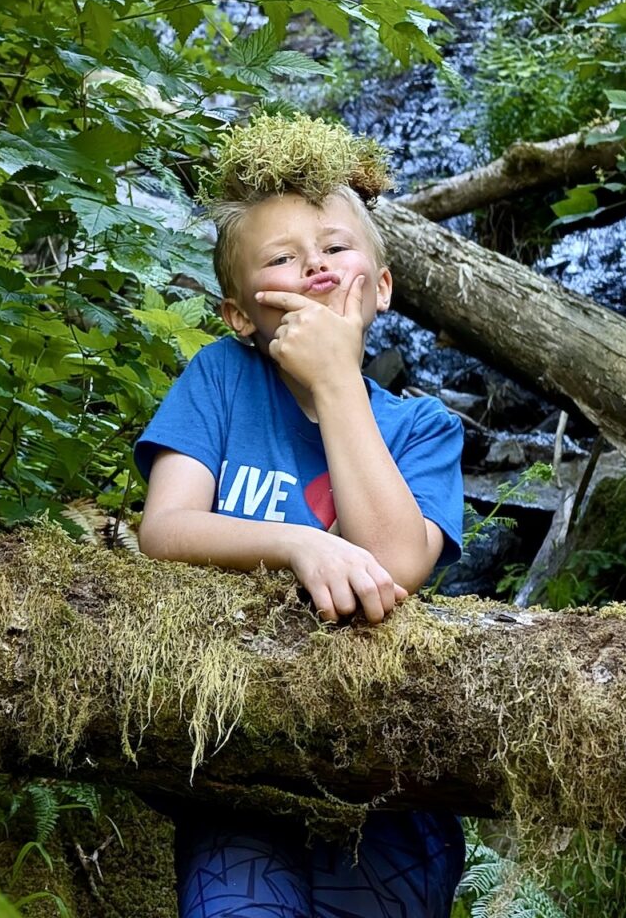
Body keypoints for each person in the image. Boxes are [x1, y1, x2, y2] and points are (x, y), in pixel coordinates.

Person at [135, 115, 466, 918]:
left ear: (381, 288)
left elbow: (396, 561)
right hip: (237, 770)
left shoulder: (422, 428)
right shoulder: (219, 379)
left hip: (391, 788)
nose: (314, 265)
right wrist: (297, 545)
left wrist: (337, 382)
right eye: (281, 259)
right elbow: (164, 530)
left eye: (335, 248)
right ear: (240, 313)